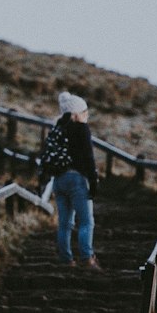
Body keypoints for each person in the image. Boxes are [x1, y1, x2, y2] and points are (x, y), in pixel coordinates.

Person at [47, 90, 101, 271]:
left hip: (59, 180)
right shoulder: (81, 129)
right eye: (85, 112)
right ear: (77, 113)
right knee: (86, 221)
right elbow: (88, 157)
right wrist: (93, 181)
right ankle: (87, 258)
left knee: (64, 224)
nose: (87, 116)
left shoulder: (57, 128)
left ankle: (66, 259)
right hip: (77, 179)